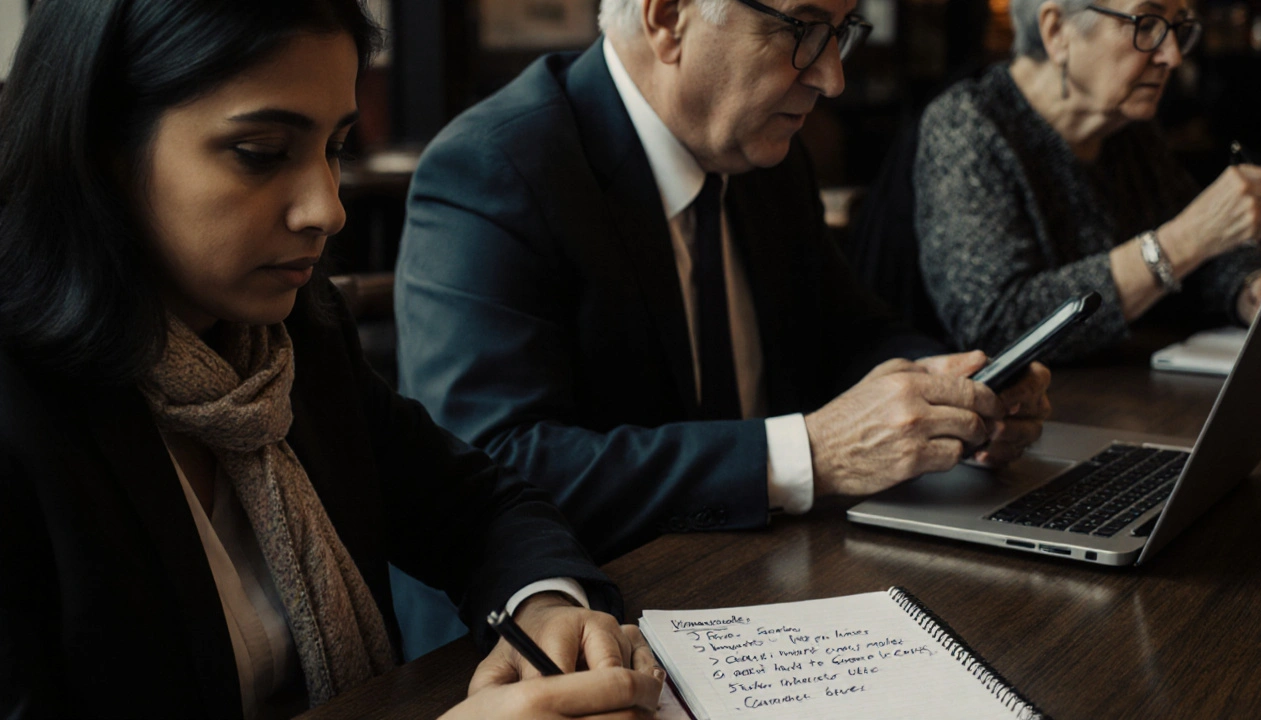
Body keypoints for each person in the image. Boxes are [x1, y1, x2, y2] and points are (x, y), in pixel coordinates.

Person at [0, 1, 663, 718]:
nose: (326, 208)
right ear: (100, 144)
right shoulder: (20, 408)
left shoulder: (290, 339)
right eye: (261, 152)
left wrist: (543, 610)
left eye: (336, 148)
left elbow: (481, 508)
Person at [394, 0, 1053, 563]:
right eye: (801, 28)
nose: (832, 76)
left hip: (760, 570)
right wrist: (810, 454)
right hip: (559, 625)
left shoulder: (758, 149)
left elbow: (848, 333)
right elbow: (494, 466)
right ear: (668, 17)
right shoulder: (495, 166)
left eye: (842, 29)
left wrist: (951, 393)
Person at [914, 0, 1261, 361]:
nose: (1172, 56)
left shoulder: (1129, 130)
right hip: (1022, 413)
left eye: (1176, 29)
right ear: (1057, 31)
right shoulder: (967, 124)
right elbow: (995, 326)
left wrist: (1258, 291)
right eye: (1146, 23)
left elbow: (1211, 251)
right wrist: (1183, 240)